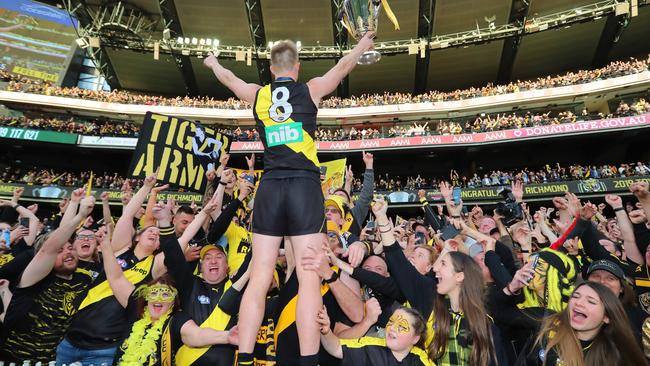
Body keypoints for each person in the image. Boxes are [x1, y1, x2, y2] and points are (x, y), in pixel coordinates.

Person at [203, 30, 376, 366]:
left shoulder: (257, 94)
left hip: (270, 186)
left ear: (271, 69)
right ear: (296, 67)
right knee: (309, 275)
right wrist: (360, 47)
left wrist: (212, 63)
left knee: (260, 275)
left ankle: (245, 356)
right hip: (303, 186)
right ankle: (308, 359)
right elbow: (341, 68)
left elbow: (228, 78)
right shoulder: (309, 90)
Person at [98, 229, 237, 364]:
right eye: (153, 292)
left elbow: (196, 335)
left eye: (165, 294)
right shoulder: (137, 306)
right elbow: (115, 278)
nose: (158, 298)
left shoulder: (176, 319)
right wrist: (105, 246)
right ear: (146, 296)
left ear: (173, 300)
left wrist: (227, 336)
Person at [0, 195, 95, 362]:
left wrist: (73, 203)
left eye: (71, 248)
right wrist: (80, 215)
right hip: (11, 358)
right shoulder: (34, 277)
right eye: (60, 250)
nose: (68, 252)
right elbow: (49, 248)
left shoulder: (84, 279)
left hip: (51, 361)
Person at [516, 282, 648, 365]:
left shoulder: (617, 354)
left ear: (606, 317)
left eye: (591, 301)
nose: (578, 303)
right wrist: (512, 288)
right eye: (576, 296)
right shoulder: (546, 333)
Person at [318, 306, 433, 366]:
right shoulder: (370, 346)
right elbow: (336, 348)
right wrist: (326, 331)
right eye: (391, 322)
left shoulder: (420, 359)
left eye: (401, 326)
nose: (392, 328)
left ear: (415, 338)